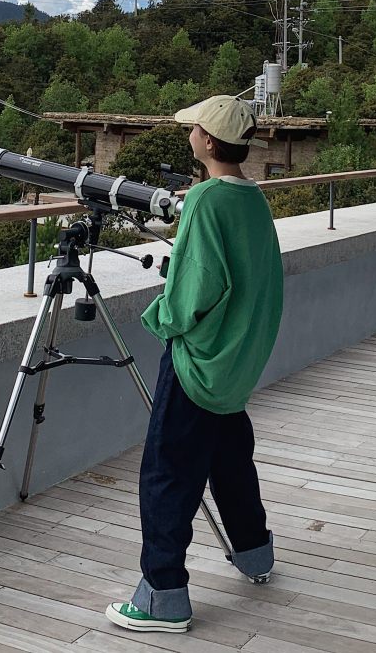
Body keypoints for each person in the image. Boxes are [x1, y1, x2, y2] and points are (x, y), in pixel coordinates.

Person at [105, 94, 284, 634]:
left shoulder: (206, 199)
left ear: (207, 140)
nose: (189, 135)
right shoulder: (252, 197)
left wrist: (160, 319)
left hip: (199, 362)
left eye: (193, 129)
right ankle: (254, 553)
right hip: (235, 359)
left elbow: (194, 288)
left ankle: (163, 597)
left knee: (167, 474)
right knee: (230, 462)